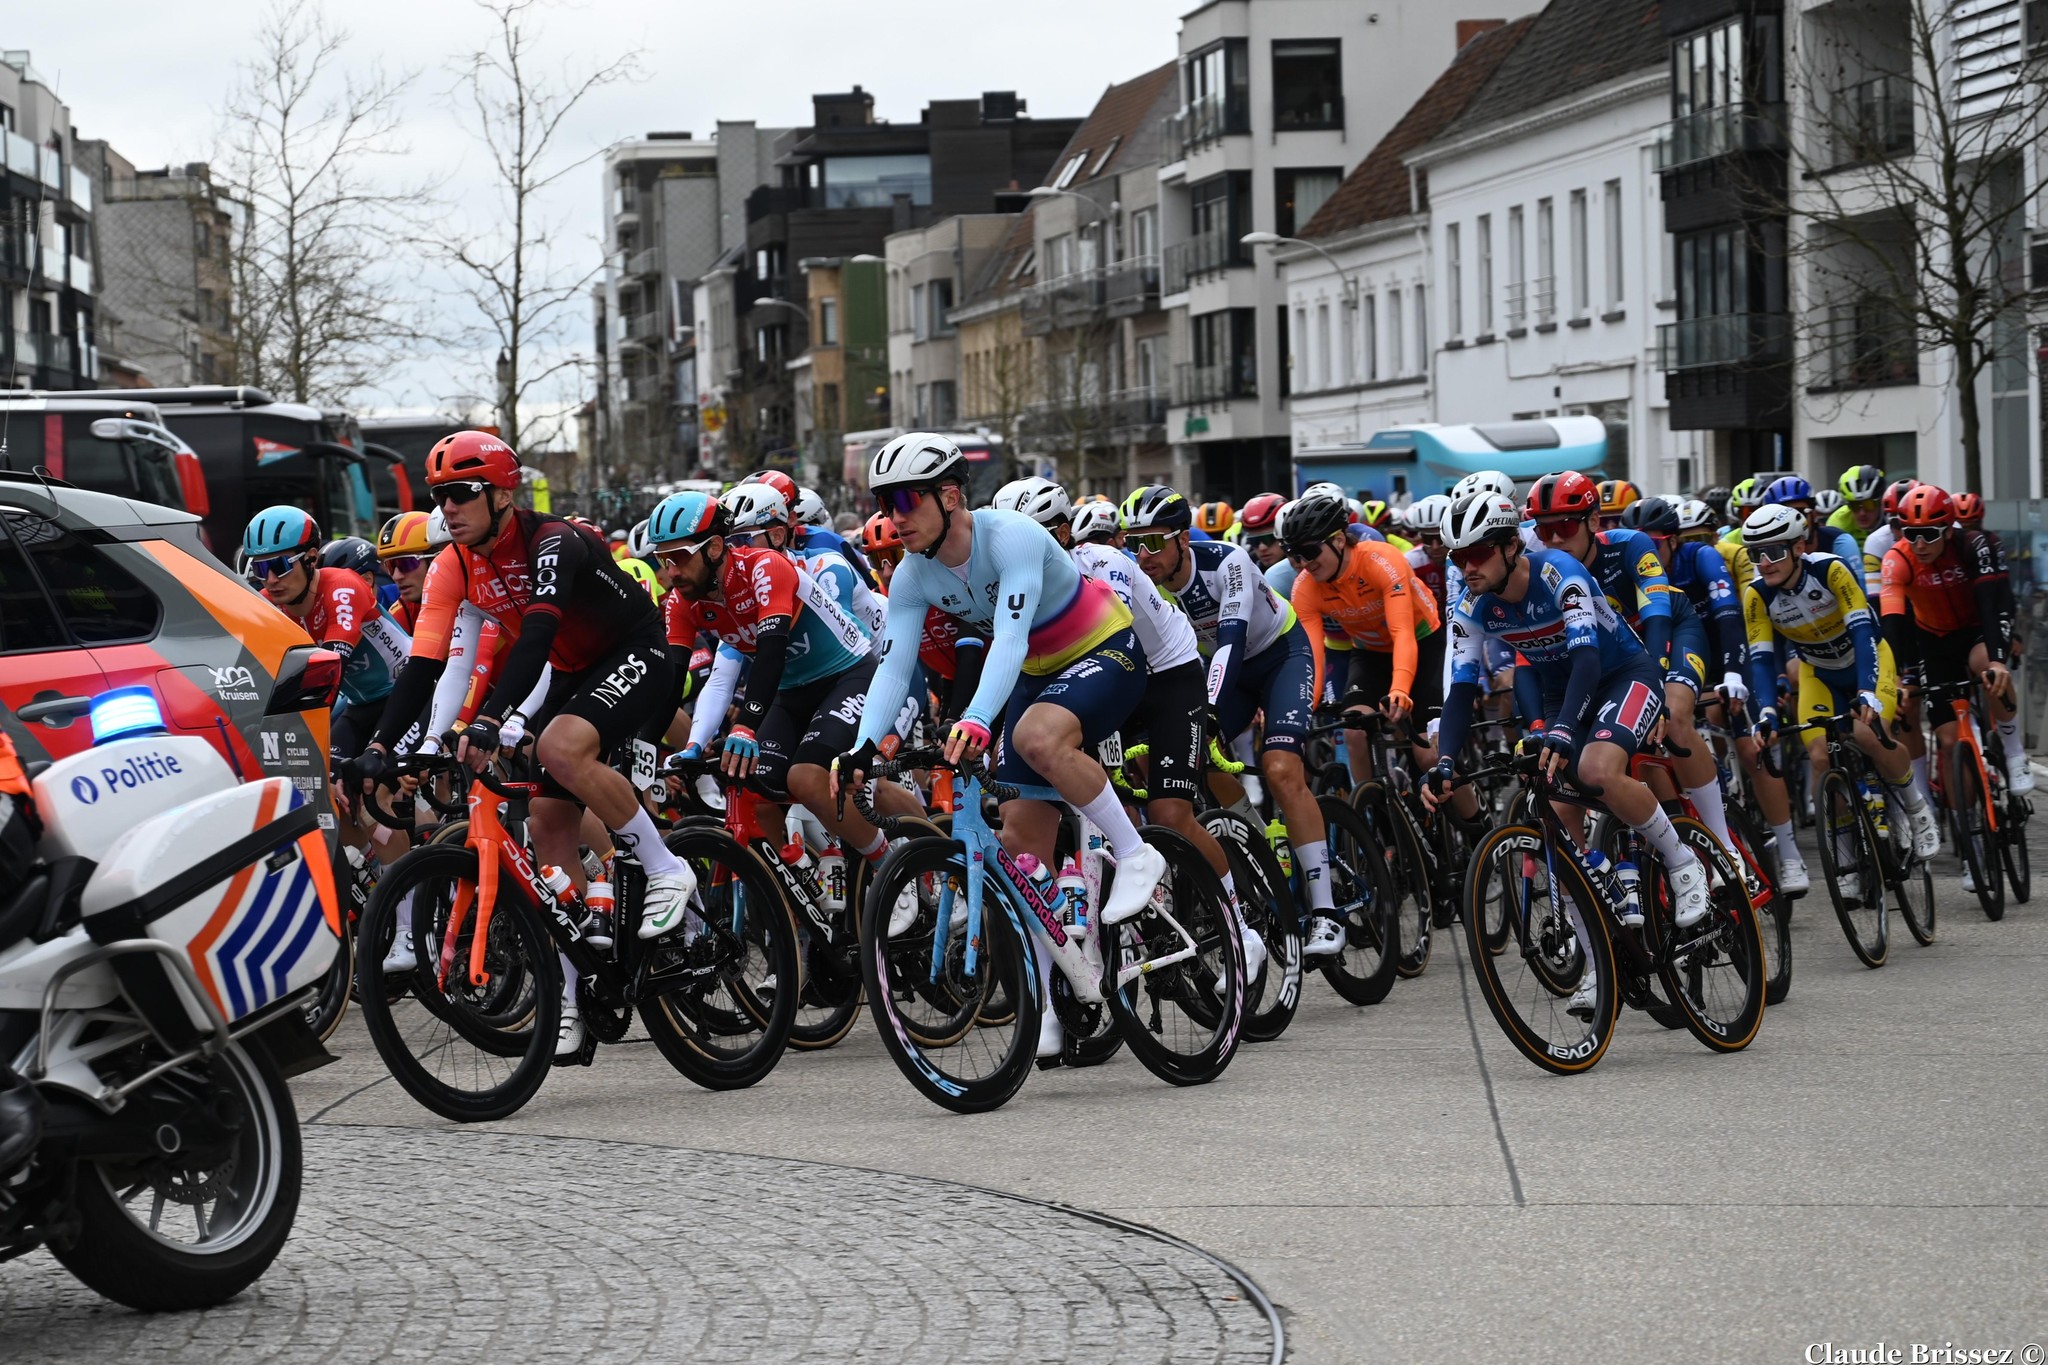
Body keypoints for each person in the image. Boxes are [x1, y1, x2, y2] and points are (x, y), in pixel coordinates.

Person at [358, 432, 697, 1059]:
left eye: (462, 493)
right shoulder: (455, 566)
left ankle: (665, 867)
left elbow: (536, 637)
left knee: (562, 750)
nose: (449, 508)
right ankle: (571, 1001)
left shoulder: (552, 541)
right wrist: (386, 746)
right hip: (571, 670)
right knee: (546, 822)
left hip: (635, 651)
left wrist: (489, 720)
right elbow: (430, 667)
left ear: (502, 494)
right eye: (440, 497)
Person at [830, 434, 1166, 1058]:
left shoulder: (1009, 536)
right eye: (883, 501)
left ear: (950, 495)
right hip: (1039, 674)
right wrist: (860, 750)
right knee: (1020, 848)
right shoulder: (911, 575)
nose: (892, 515)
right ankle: (1047, 1005)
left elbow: (1008, 640)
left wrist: (980, 720)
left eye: (906, 498)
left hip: (1102, 649)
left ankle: (1136, 852)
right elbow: (893, 667)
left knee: (1038, 736)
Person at [1424, 491, 1712, 1014]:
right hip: (1565, 692)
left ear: (1512, 545)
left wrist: (1561, 731)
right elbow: (1460, 689)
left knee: (1595, 767)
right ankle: (1600, 964)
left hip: (1621, 674)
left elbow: (1584, 659)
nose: (1466, 567)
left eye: (1476, 554)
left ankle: (1681, 860)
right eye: (1456, 557)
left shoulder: (1559, 573)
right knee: (1553, 817)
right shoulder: (1470, 602)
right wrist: (1446, 762)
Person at [995, 477, 1265, 978]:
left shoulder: (1102, 562)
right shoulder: (1014, 585)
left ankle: (1238, 926)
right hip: (1098, 679)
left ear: (1061, 534)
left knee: (1169, 812)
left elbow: (1114, 635)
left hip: (1165, 676)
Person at [653, 488, 924, 895]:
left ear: (712, 548)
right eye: (663, 560)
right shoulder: (681, 602)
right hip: (791, 695)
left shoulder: (765, 567)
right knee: (756, 792)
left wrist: (744, 727)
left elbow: (771, 653)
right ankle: (806, 896)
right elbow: (672, 678)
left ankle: (890, 870)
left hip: (848, 675)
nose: (670, 571)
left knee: (807, 777)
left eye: (678, 557)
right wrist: (666, 743)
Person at [1124, 484, 1350, 957]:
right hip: (1226, 671)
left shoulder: (1227, 562)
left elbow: (1230, 640)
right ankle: (1252, 839)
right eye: (1132, 543)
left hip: (1277, 655)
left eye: (1153, 542)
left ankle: (1327, 911)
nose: (1142, 556)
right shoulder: (1137, 584)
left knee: (1281, 769)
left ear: (1182, 539)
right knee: (1197, 758)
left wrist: (1207, 710)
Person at [1741, 503, 1940, 869]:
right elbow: (1761, 661)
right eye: (1755, 554)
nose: (1764, 562)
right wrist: (1766, 712)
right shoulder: (1757, 596)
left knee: (1868, 734)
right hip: (1819, 671)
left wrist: (1866, 688)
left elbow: (1863, 631)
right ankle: (1846, 856)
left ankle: (1916, 806)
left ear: (1798, 547)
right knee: (1819, 756)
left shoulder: (1831, 570)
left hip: (1866, 658)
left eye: (1772, 551)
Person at [1879, 485, 2032, 807]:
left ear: (1949, 531)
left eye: (1930, 535)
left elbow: (1993, 604)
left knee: (1987, 666)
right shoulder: (1898, 559)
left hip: (1977, 629)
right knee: (1948, 742)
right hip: (1933, 641)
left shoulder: (1975, 545)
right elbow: (1891, 622)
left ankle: (2014, 750)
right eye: (1910, 533)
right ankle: (1971, 847)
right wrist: (1892, 677)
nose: (1919, 544)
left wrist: (2000, 660)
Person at [376, 510, 435, 632]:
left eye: (406, 563)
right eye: (391, 566)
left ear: (435, 559)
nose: (396, 576)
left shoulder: (474, 596)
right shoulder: (401, 610)